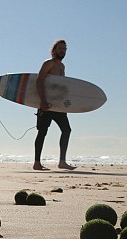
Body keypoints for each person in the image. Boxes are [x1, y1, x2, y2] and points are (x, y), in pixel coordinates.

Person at [34, 39, 76, 171]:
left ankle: (62, 162)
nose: (62, 51)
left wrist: (65, 104)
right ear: (54, 50)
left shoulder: (62, 67)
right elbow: (39, 81)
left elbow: (61, 87)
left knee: (66, 130)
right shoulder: (48, 63)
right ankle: (37, 163)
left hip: (57, 105)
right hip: (46, 104)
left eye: (64, 49)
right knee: (42, 132)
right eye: (60, 48)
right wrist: (42, 101)